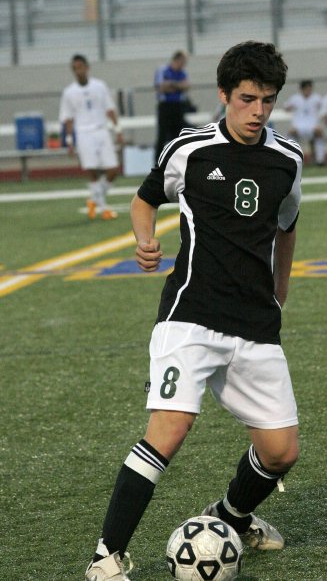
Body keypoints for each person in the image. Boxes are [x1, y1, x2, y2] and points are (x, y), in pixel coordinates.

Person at [85, 41, 303, 581]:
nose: (258, 111)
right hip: (191, 315)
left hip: (255, 323)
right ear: (224, 95)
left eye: (268, 101)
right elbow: (143, 199)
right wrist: (143, 241)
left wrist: (280, 291)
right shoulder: (190, 149)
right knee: (171, 427)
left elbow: (288, 223)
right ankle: (107, 555)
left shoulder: (288, 160)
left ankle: (230, 515)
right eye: (248, 98)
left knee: (280, 453)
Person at [59, 54, 123, 220]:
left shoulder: (99, 86)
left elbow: (110, 109)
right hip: (83, 133)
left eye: (80, 66)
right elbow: (68, 118)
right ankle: (103, 208)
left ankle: (94, 199)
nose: (78, 70)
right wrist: (69, 141)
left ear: (87, 67)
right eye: (75, 68)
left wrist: (118, 130)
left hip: (101, 130)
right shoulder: (69, 92)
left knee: (113, 169)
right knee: (92, 171)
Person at [154, 49, 191, 160]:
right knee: (162, 135)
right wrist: (177, 86)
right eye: (183, 61)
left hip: (178, 107)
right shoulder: (163, 70)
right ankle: (158, 162)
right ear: (178, 59)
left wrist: (171, 84)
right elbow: (161, 87)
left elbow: (186, 86)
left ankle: (177, 160)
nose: (184, 64)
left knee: (178, 135)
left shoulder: (183, 73)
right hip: (165, 107)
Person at [284, 79, 325, 166]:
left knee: (319, 134)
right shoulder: (295, 98)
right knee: (290, 135)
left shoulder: (316, 98)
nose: (308, 91)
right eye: (306, 89)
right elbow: (286, 107)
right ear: (302, 89)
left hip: (312, 126)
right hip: (298, 126)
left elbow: (324, 108)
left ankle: (320, 161)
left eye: (309, 88)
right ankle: (293, 160)